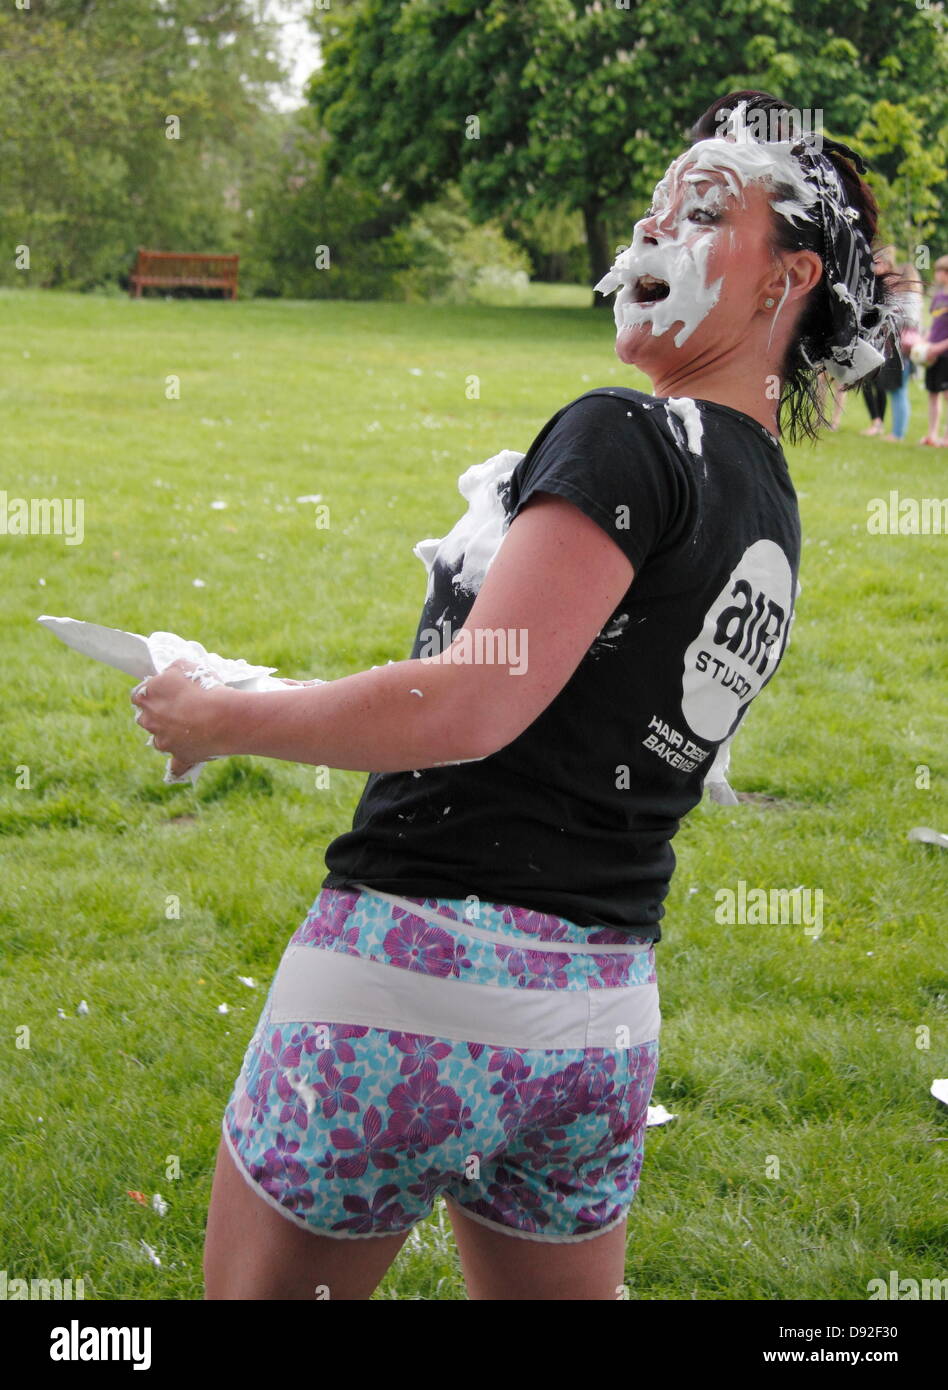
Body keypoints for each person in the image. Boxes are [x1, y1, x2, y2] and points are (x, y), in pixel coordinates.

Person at [130, 89, 901, 1301]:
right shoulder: (771, 510)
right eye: (652, 209)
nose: (649, 234)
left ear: (783, 281)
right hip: (599, 1027)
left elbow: (470, 704)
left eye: (702, 212)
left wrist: (219, 715)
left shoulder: (630, 437)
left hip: (402, 986)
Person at [881, 262, 924, 442]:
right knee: (897, 391)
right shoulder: (913, 298)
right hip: (901, 350)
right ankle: (897, 431)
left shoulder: (907, 299)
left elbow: (908, 323)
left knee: (899, 391)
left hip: (903, 351)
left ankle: (898, 433)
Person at [860, 246, 898, 435]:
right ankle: (875, 420)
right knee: (866, 381)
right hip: (870, 338)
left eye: (878, 263)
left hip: (885, 341)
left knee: (880, 383)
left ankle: (879, 422)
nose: (874, 267)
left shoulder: (893, 287)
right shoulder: (870, 284)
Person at [919, 254, 948, 445]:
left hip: (945, 353)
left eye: (940, 271)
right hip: (933, 353)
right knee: (933, 393)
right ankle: (932, 434)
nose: (936, 274)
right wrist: (925, 343)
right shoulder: (938, 297)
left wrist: (939, 347)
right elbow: (934, 326)